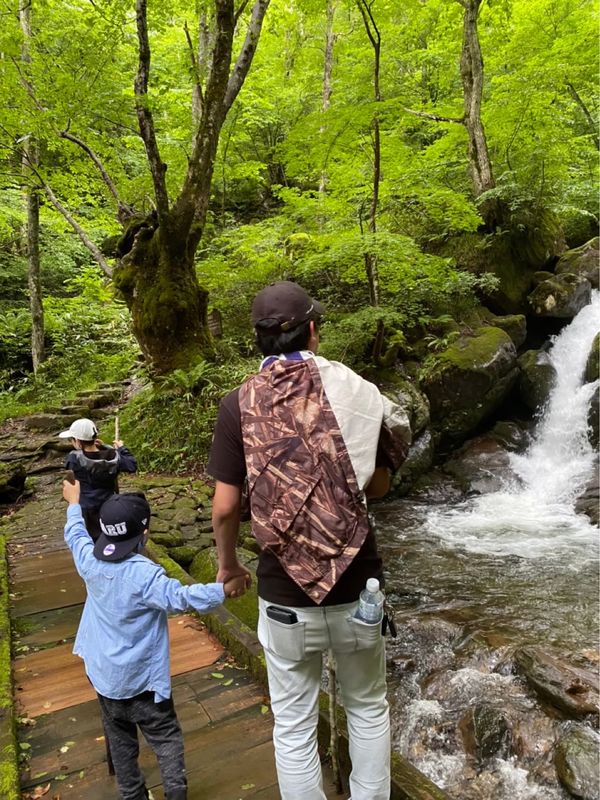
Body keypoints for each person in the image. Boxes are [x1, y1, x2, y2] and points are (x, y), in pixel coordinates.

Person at [208, 281, 411, 800]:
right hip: (358, 590)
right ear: (314, 331)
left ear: (256, 341)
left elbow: (227, 507)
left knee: (294, 725)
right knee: (367, 708)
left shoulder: (238, 406)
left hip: (283, 595)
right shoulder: (363, 393)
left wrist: (228, 567)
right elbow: (381, 486)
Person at [62, 480, 248, 800]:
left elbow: (75, 536)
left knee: (121, 745)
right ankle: (175, 793)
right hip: (143, 684)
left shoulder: (89, 562)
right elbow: (180, 597)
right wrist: (223, 591)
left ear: (105, 533)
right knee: (165, 738)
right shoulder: (145, 575)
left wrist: (73, 504)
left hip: (105, 680)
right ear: (144, 534)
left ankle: (133, 795)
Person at [59, 417, 137, 540]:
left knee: (90, 541)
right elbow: (131, 465)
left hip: (87, 509)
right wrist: (120, 448)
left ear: (78, 441)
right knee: (109, 538)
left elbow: (71, 472)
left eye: (72, 440)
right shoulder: (113, 455)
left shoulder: (74, 458)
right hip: (110, 506)